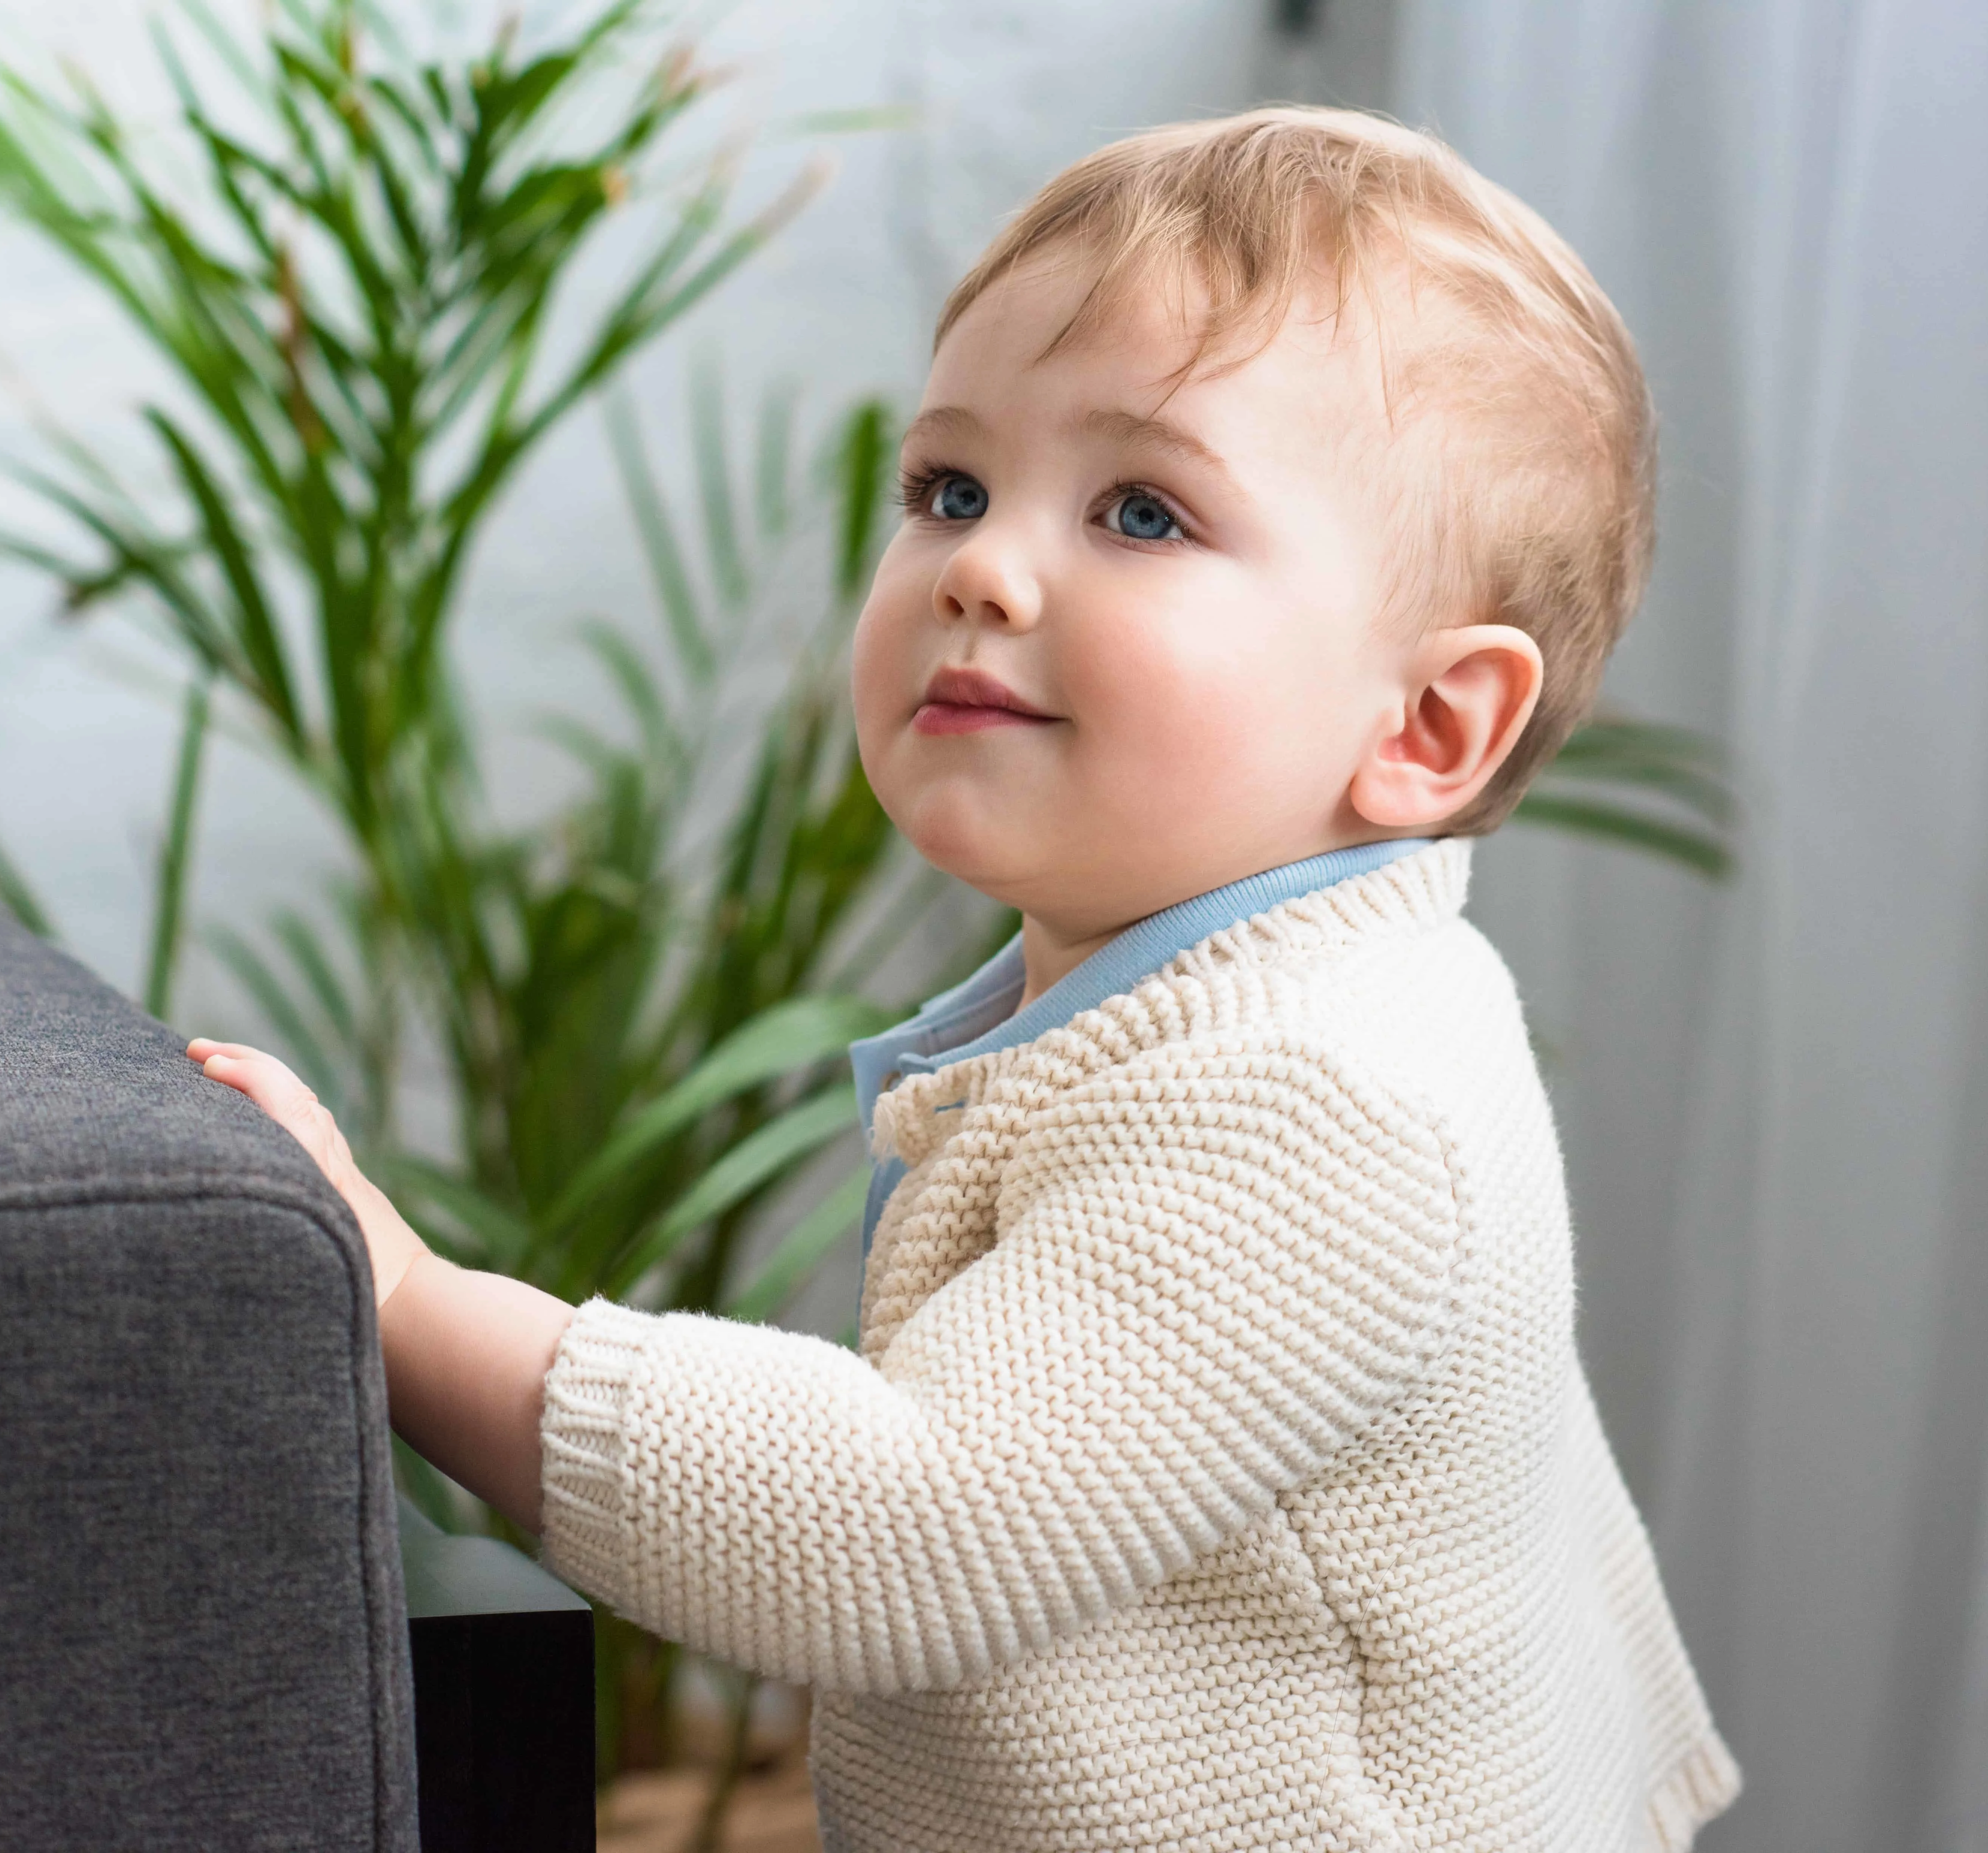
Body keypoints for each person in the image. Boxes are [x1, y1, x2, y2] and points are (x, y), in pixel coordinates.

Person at [191, 105, 1737, 1850]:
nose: (981, 568)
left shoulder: (1315, 1099)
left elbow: (893, 1528)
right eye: (947, 486)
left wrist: (400, 1304)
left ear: (1429, 723)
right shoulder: (1294, 988)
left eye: (1143, 511)